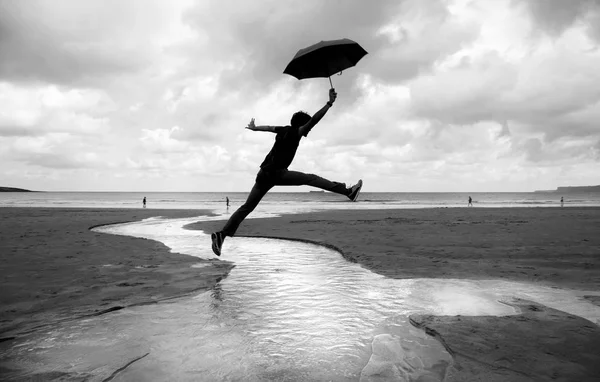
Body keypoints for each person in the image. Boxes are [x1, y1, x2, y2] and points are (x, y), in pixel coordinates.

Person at [211, 88, 363, 256]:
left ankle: (221, 235)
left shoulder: (283, 129)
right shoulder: (296, 133)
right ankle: (348, 191)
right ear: (301, 125)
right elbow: (314, 120)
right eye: (306, 127)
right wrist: (329, 103)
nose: (308, 131)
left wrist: (255, 128)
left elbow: (269, 127)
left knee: (246, 207)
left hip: (263, 174)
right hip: (277, 173)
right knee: (310, 179)